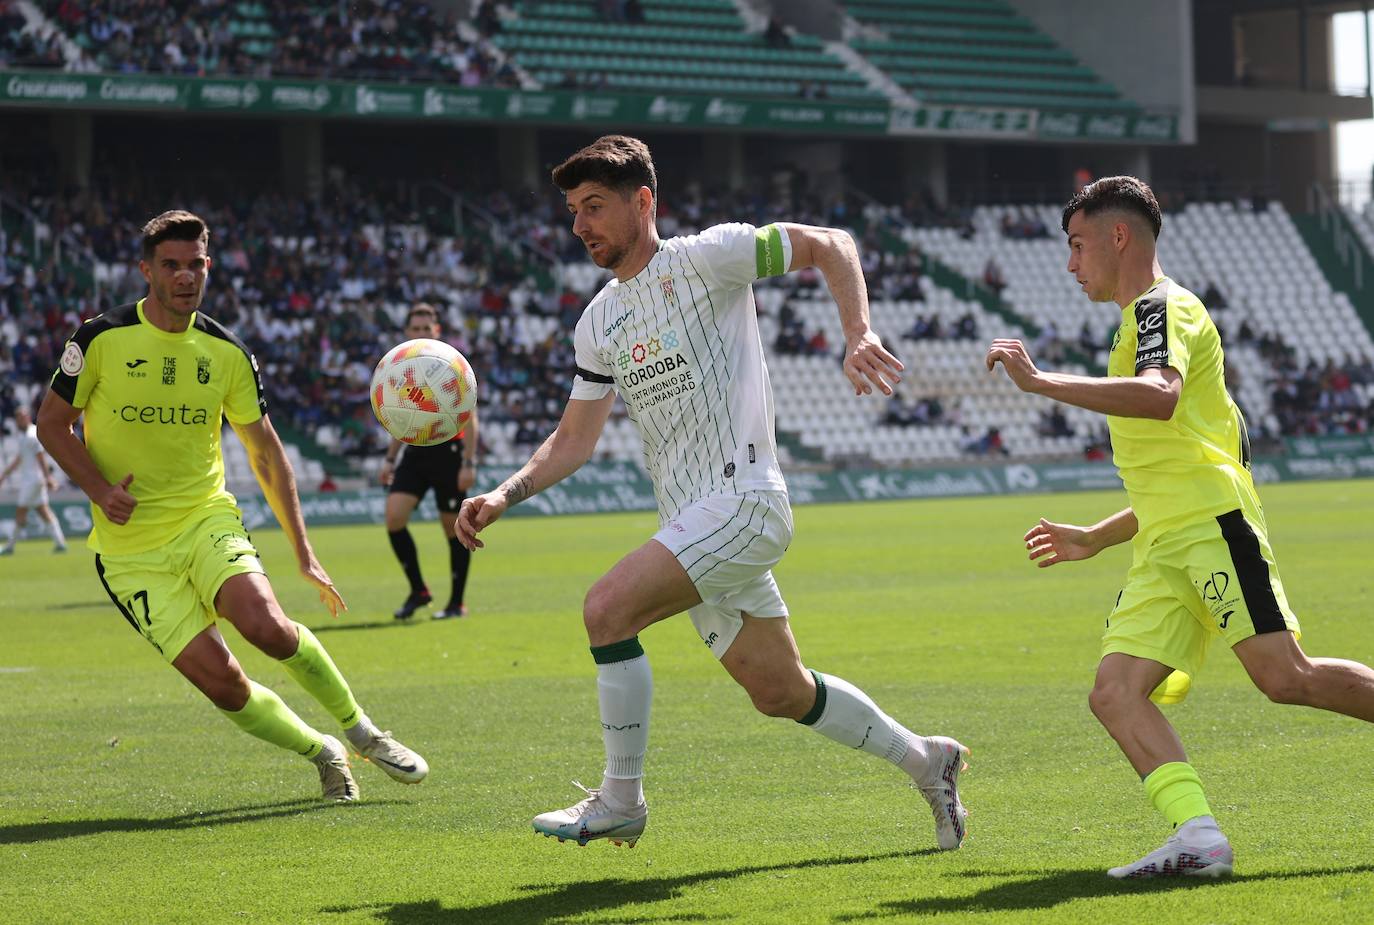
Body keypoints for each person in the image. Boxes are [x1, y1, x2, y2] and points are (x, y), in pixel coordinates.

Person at [457, 135, 969, 849]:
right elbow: (573, 440)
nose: (579, 226)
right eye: (573, 210)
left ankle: (620, 799)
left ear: (643, 202)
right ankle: (928, 761)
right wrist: (504, 494)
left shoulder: (710, 256)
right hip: (692, 521)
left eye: (594, 206)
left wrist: (857, 333)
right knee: (781, 691)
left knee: (606, 610)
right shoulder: (597, 321)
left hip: (745, 502)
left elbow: (833, 243)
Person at [986, 176, 1374, 879]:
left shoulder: (1162, 307)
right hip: (1167, 543)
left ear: (1119, 236)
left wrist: (1041, 382)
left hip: (1212, 529)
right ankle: (1199, 839)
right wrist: (1096, 537)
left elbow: (1160, 397)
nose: (1071, 264)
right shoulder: (1137, 322)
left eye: (1077, 245)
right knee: (1114, 692)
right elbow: (1175, 469)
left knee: (1285, 677)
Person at [37, 210, 427, 803]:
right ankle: (323, 750)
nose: (184, 276)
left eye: (195, 264)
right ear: (146, 271)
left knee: (266, 626)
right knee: (224, 685)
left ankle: (364, 732)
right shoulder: (98, 339)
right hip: (130, 552)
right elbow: (52, 424)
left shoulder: (226, 352)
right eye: (171, 265)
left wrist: (304, 553)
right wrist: (99, 489)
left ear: (209, 266)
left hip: (204, 518)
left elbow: (266, 455)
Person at [381, 303, 480, 620]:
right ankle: (418, 590)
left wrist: (468, 462)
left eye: (427, 328)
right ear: (407, 332)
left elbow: (470, 417)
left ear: (436, 331)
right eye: (416, 328)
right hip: (415, 451)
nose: (421, 332)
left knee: (453, 529)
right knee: (394, 518)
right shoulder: (401, 369)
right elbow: (401, 419)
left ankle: (456, 603)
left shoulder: (449, 365)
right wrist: (390, 459)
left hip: (448, 454)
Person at [0, 407, 68, 554]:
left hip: (32, 481)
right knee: (43, 511)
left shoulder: (32, 435)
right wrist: (4, 475)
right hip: (33, 481)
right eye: (19, 418)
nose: (21, 420)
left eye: (23, 417)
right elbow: (19, 459)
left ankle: (10, 546)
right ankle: (60, 543)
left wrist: (48, 477)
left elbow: (41, 458)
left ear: (28, 418)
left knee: (21, 512)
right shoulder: (24, 436)